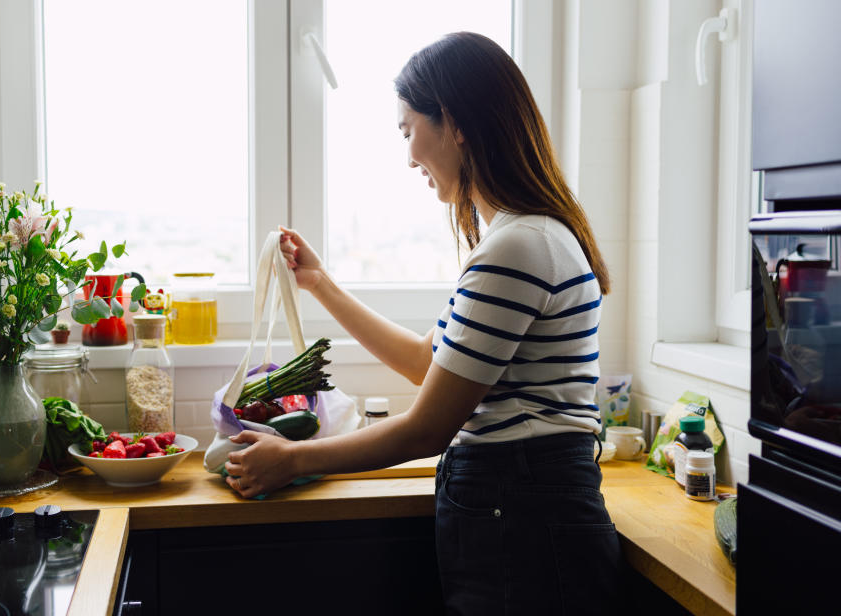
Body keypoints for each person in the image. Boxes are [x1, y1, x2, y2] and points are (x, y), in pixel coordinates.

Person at [225, 31, 622, 614]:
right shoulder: (523, 239)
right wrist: (319, 284)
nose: (409, 155)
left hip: (524, 514)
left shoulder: (516, 249)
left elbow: (425, 430)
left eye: (410, 129)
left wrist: (293, 460)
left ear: (455, 123)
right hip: (522, 509)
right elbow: (425, 363)